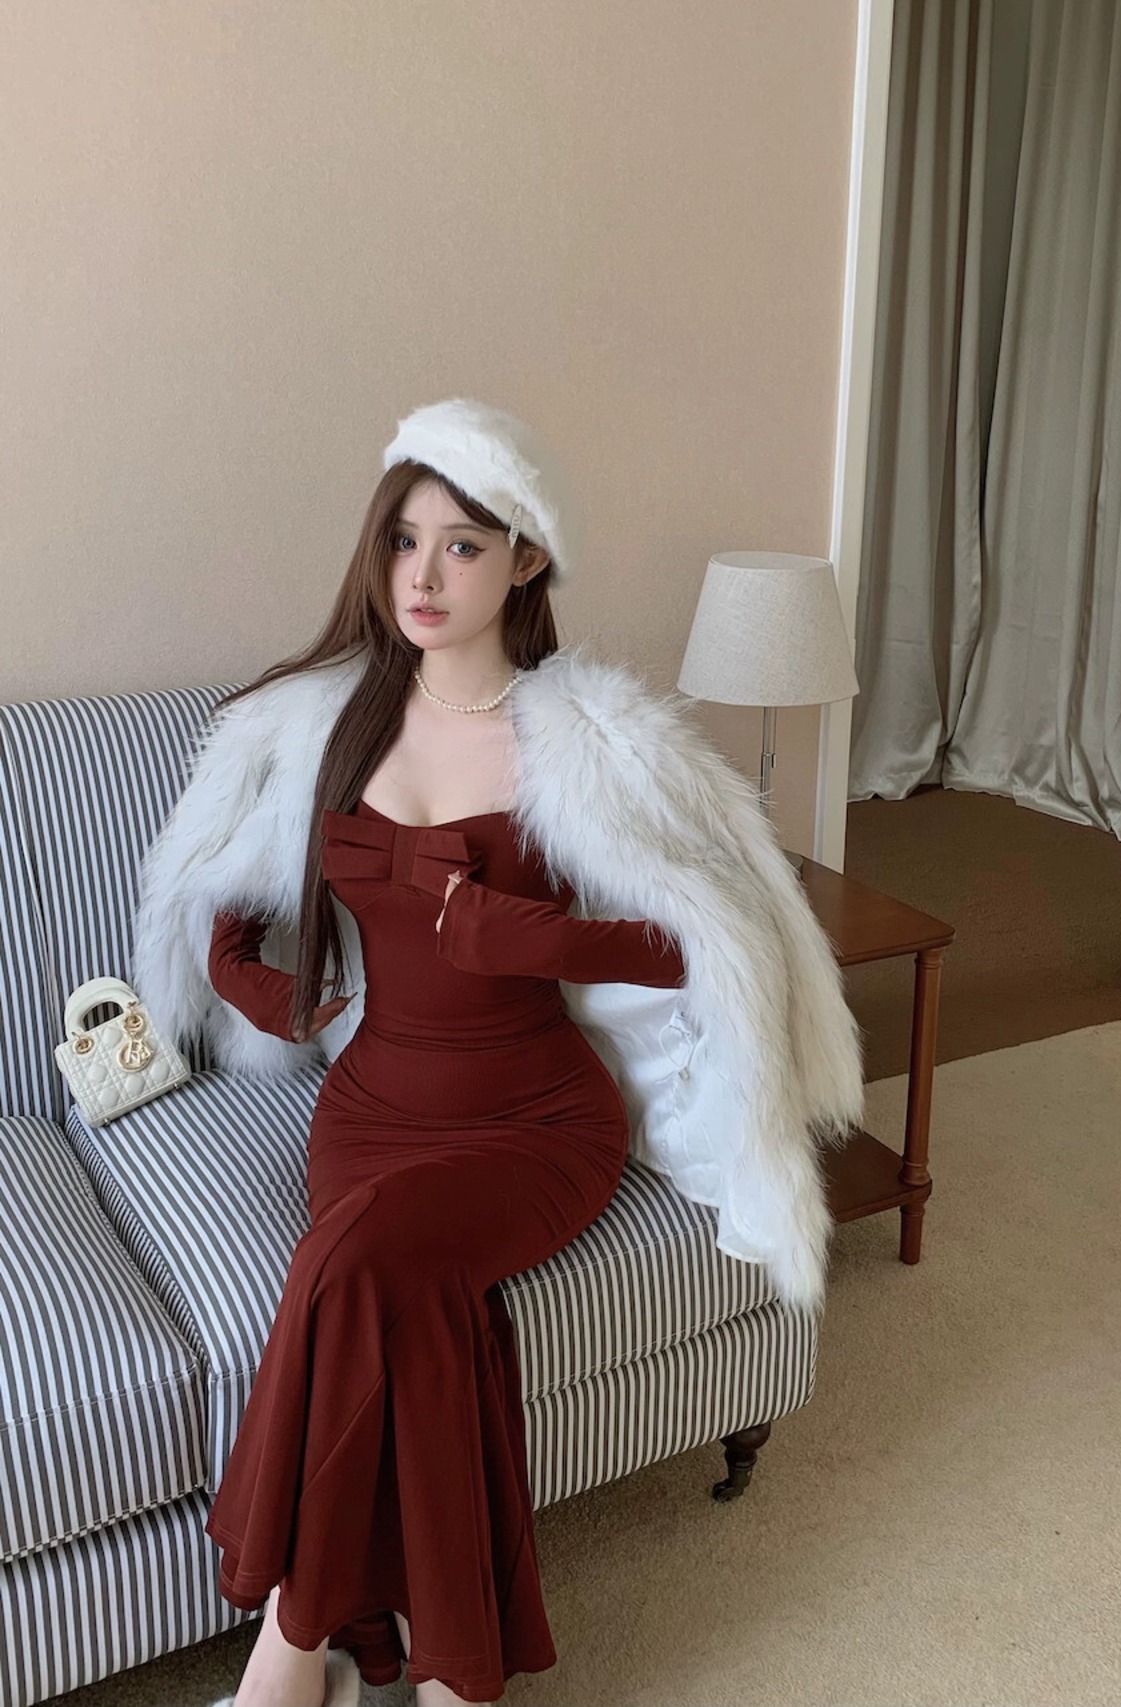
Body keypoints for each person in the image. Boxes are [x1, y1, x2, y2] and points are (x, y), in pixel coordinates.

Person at [194, 401, 690, 1707]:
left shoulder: (583, 737)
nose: (422, 575)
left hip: (537, 1122)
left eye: (462, 546)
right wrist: (271, 995)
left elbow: (696, 947)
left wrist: (532, 937)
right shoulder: (326, 722)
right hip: (371, 1107)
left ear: (527, 559)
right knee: (402, 1291)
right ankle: (451, 1677)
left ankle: (290, 1661)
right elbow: (220, 922)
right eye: (403, 542)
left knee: (355, 1262)